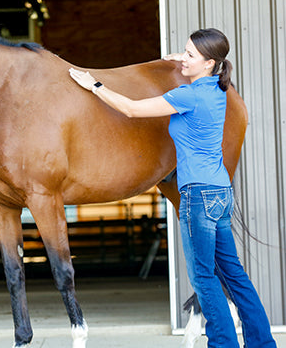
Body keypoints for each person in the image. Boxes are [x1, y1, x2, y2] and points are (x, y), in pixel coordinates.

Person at [69, 28, 276, 348]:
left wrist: (94, 85)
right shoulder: (218, 88)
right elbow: (199, 62)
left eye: (190, 54)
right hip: (220, 193)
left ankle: (223, 344)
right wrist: (182, 58)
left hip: (197, 198)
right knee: (234, 276)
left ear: (208, 63)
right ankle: (263, 344)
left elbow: (131, 109)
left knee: (205, 279)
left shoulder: (188, 96)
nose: (183, 58)